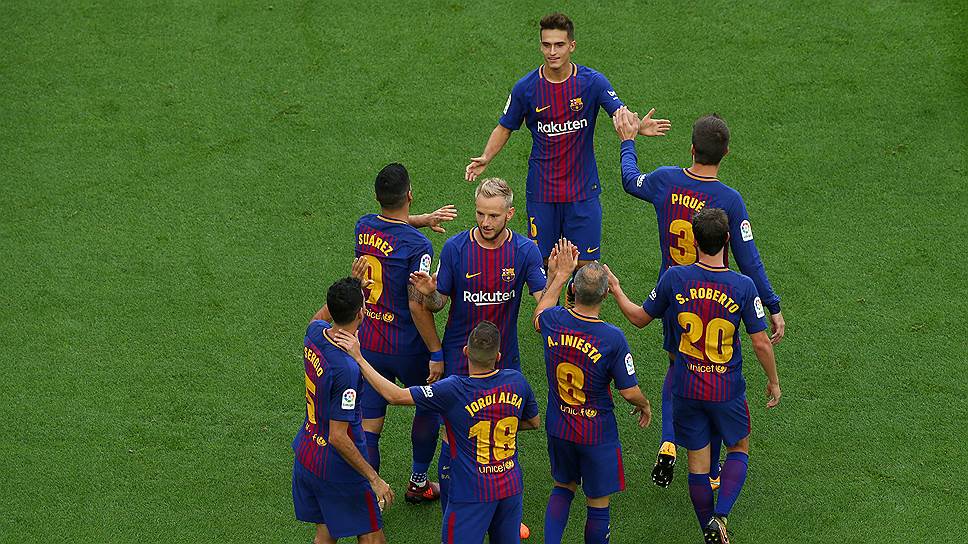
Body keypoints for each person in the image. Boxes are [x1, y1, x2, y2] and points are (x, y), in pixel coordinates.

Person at [612, 108, 783, 489]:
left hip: (674, 293)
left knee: (679, 367)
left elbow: (630, 180)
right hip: (718, 297)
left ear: (691, 149)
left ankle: (669, 440)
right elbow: (749, 259)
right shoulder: (729, 200)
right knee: (716, 374)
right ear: (726, 154)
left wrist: (628, 141)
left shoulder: (665, 180)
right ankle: (715, 469)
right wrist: (771, 304)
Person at [606, 208, 782, 544]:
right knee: (739, 448)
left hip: (686, 387)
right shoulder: (743, 286)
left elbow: (639, 318)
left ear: (694, 241)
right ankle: (721, 516)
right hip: (726, 390)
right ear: (727, 240)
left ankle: (708, 529)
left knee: (698, 466)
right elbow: (760, 342)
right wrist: (773, 381)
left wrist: (616, 289)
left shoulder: (675, 278)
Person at [465, 13, 645, 306]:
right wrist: (486, 156)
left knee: (586, 266)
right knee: (544, 262)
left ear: (571, 45)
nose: (552, 51)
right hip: (543, 192)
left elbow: (620, 113)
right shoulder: (526, 88)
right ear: (540, 46)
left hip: (582, 192)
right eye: (547, 45)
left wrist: (638, 125)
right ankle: (550, 317)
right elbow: (505, 126)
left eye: (559, 45)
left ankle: (577, 310)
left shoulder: (592, 82)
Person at [334, 322, 541, 544]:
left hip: (471, 493)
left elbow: (395, 396)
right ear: (498, 356)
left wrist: (359, 358)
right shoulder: (517, 381)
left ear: (466, 351)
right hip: (510, 487)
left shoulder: (453, 389)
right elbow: (533, 422)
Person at [532, 240, 653, 544]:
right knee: (598, 503)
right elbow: (629, 392)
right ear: (606, 294)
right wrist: (645, 404)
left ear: (573, 290)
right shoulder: (612, 338)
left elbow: (539, 312)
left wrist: (558, 276)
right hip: (596, 433)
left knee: (563, 488)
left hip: (559, 426)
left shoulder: (553, 321)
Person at [350, 163, 455, 504]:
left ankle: (370, 499)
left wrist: (421, 218)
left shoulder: (363, 227)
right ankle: (418, 482)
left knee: (370, 424)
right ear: (409, 194)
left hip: (370, 342)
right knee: (430, 407)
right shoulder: (419, 247)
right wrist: (436, 351)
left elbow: (389, 231)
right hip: (408, 346)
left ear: (377, 197)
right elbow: (417, 304)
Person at [292, 277, 394, 544]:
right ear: (361, 313)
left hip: (307, 454)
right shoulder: (346, 369)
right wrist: (374, 478)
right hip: (337, 467)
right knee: (373, 536)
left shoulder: (315, 334)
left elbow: (318, 318)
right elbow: (338, 436)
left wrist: (350, 290)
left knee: (325, 533)